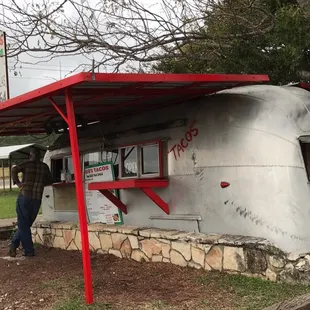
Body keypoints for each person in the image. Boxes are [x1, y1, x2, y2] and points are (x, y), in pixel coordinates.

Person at [9, 148, 52, 257]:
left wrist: (18, 183)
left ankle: (29, 251)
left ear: (30, 155)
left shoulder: (27, 164)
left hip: (24, 197)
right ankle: (13, 245)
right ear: (39, 156)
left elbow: (14, 170)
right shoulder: (44, 167)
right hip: (37, 199)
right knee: (26, 225)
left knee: (23, 225)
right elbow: (50, 180)